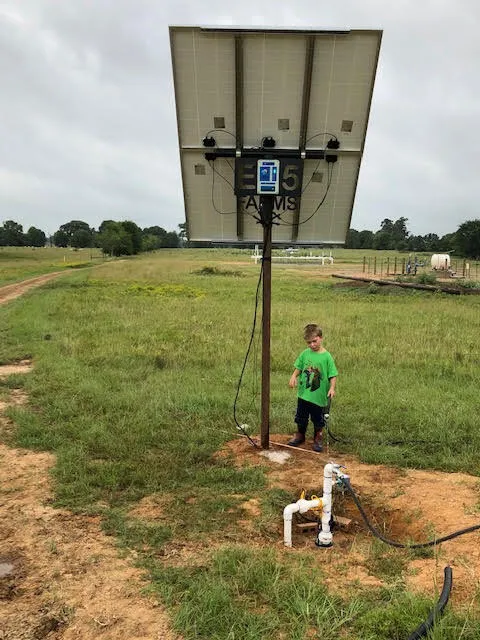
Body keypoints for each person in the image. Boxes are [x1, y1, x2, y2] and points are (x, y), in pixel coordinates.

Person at [288, 323, 338, 452]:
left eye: (314, 341)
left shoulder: (327, 357)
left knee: (317, 419)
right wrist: (294, 376)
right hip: (304, 394)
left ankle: (317, 437)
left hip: (319, 397)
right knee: (301, 416)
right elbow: (299, 367)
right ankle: (300, 435)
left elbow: (333, 375)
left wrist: (332, 388)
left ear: (321, 338)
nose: (312, 345)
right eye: (309, 342)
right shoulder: (305, 354)